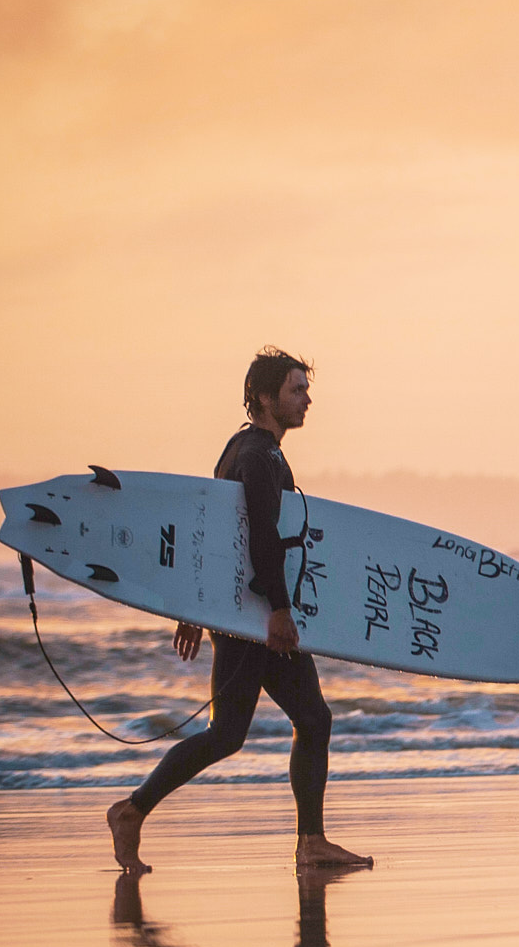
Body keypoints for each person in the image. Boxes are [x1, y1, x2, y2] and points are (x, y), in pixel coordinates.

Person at [104, 349, 373, 873]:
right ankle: (132, 812)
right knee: (274, 726)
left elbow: (213, 538)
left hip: (243, 614)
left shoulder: (246, 451)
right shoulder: (257, 457)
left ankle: (308, 841)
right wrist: (277, 609)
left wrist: (194, 607)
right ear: (267, 398)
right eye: (297, 390)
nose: (307, 399)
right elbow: (260, 538)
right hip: (255, 617)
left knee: (277, 725)